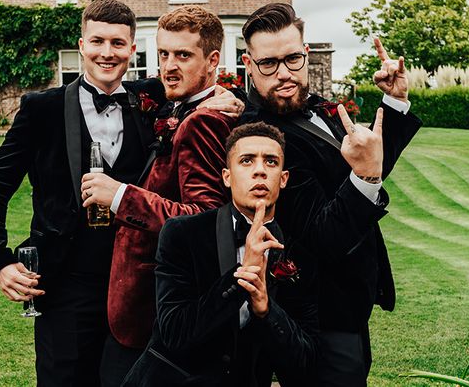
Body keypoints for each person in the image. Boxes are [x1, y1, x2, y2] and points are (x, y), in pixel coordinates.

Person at [0, 0, 237, 386]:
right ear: (82, 46)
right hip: (64, 286)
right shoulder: (40, 109)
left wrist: (228, 97)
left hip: (139, 290)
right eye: (97, 41)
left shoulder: (155, 98)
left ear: (132, 49)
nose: (106, 53)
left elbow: (199, 87)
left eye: (117, 43)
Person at [239, 2, 422, 387]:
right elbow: (322, 235)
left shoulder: (318, 108)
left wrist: (395, 102)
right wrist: (367, 176)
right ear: (249, 64)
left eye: (292, 58)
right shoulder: (262, 137)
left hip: (349, 303)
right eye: (269, 64)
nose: (285, 74)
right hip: (320, 311)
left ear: (306, 54)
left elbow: (365, 163)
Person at [121, 120, 380, 387]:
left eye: (270, 162)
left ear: (283, 179)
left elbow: (304, 363)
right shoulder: (183, 234)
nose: (259, 171)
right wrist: (241, 278)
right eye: (246, 161)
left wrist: (266, 310)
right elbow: (175, 333)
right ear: (227, 176)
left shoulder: (298, 254)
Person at [80, 5, 242, 387]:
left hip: (154, 313)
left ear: (213, 60)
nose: (169, 66)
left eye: (183, 55)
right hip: (137, 310)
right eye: (163, 54)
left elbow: (203, 217)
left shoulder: (203, 121)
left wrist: (120, 195)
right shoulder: (181, 106)